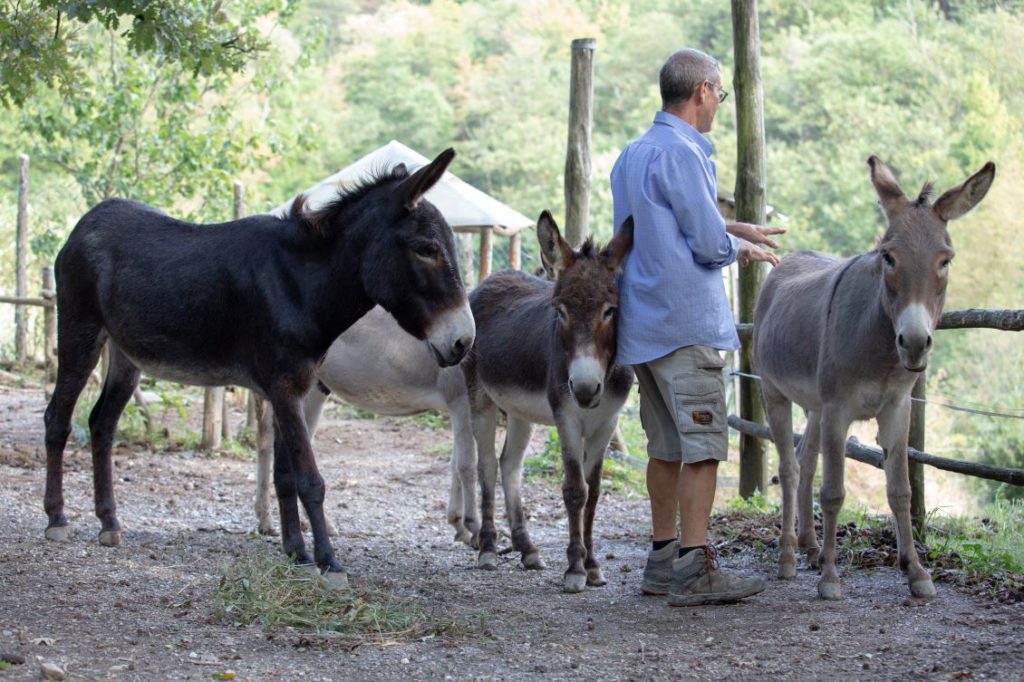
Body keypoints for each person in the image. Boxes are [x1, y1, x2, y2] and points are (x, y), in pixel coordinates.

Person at [611, 48, 783, 606]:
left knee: (663, 447)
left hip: (643, 325)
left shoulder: (632, 155)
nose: (718, 107)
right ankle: (695, 567)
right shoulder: (686, 153)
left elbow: (665, 221)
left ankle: (661, 561)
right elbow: (707, 244)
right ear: (703, 91)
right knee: (703, 446)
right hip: (687, 326)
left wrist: (735, 225)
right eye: (719, 95)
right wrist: (740, 247)